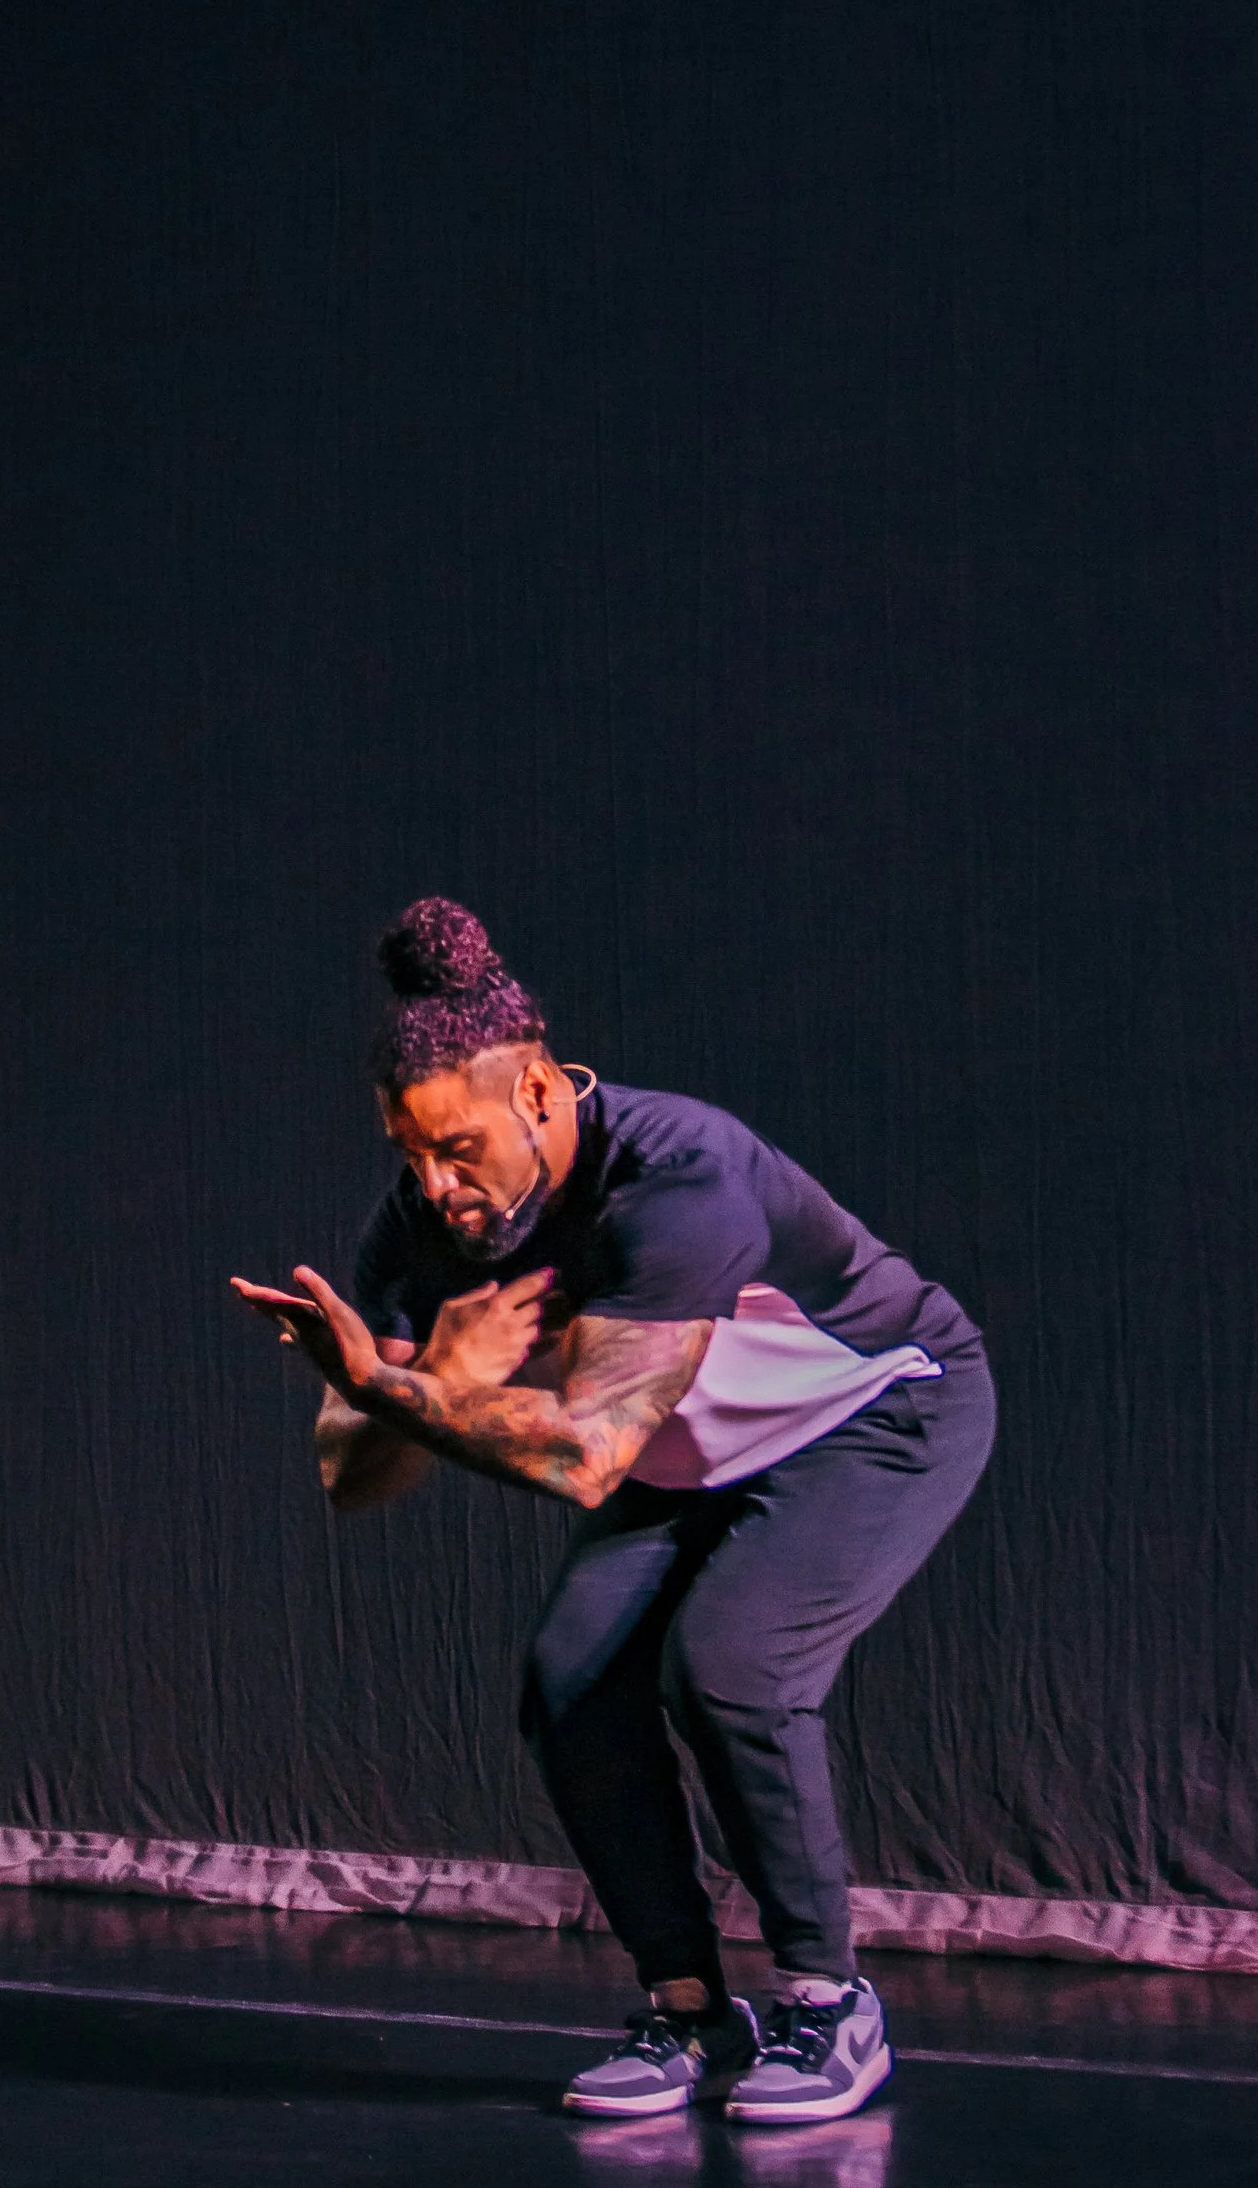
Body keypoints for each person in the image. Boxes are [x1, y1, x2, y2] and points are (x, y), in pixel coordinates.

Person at [232, 898, 994, 2126]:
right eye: (407, 1155)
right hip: (688, 1448)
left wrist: (401, 1388)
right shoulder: (419, 1230)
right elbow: (355, 1479)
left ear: (536, 1094)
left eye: (458, 1149)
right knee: (569, 1683)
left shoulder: (679, 1180)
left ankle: (827, 2006)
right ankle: (689, 2010)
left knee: (732, 1664)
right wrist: (384, 1394)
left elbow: (587, 1459)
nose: (435, 1187)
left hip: (871, 1412)